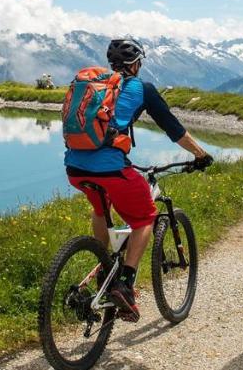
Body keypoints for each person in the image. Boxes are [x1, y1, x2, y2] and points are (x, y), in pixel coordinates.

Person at [64, 38, 214, 322]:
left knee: (100, 208)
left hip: (75, 167)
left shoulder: (94, 87)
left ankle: (104, 266)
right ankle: (125, 285)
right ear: (136, 63)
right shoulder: (141, 88)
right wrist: (201, 154)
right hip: (111, 169)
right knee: (145, 218)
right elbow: (175, 130)